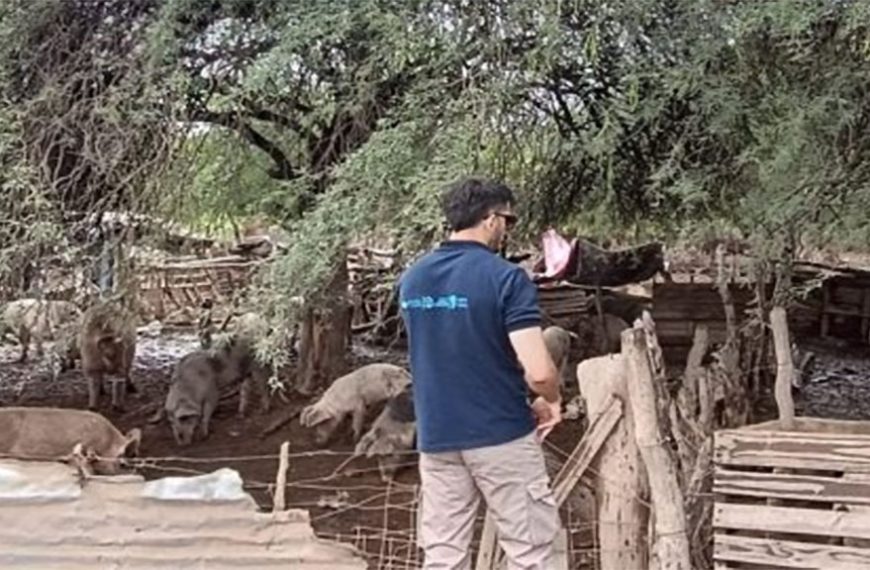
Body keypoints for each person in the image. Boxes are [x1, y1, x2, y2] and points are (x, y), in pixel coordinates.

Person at [398, 176, 563, 570]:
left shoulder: (412, 279)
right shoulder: (506, 278)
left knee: (443, 554)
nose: (507, 229)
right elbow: (538, 370)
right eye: (509, 219)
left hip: (437, 435)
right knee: (530, 551)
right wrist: (552, 400)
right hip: (499, 433)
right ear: (491, 219)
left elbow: (438, 348)